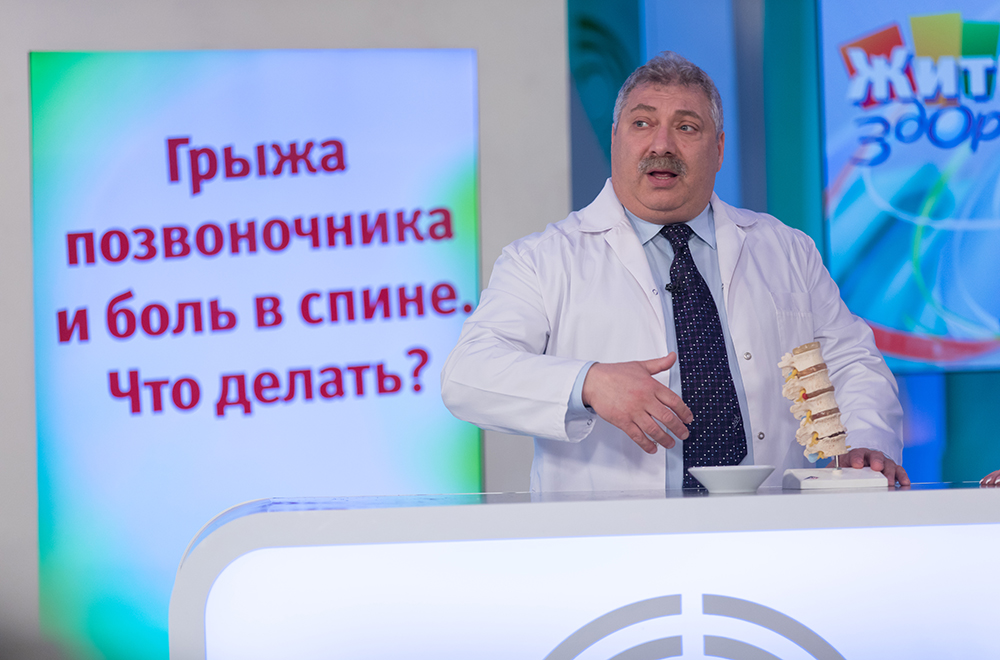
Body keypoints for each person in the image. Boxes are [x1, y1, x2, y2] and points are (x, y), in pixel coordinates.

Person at [441, 51, 907, 491]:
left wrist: (867, 442)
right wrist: (589, 383)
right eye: (642, 123)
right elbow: (467, 375)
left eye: (687, 127)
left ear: (719, 149)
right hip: (612, 535)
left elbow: (850, 360)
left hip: (767, 525)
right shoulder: (542, 260)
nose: (661, 145)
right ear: (616, 139)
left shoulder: (786, 249)